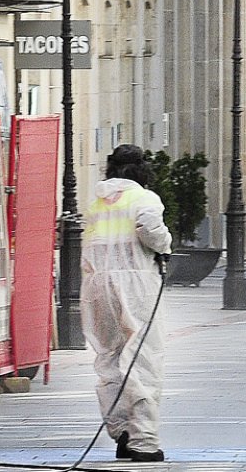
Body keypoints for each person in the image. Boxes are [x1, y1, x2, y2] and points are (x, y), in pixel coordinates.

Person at [80, 144, 172, 462]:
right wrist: (165, 244)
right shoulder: (143, 198)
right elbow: (150, 229)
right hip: (135, 285)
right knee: (142, 357)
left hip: (96, 285)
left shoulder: (97, 202)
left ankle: (121, 431)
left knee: (110, 357)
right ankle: (144, 441)